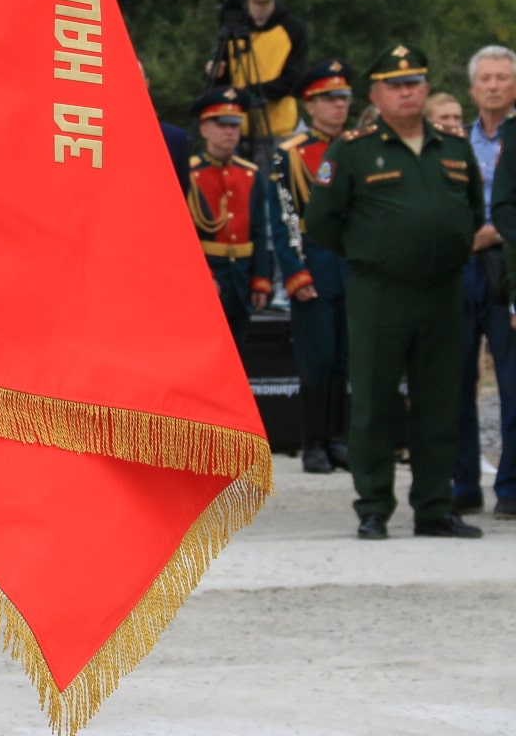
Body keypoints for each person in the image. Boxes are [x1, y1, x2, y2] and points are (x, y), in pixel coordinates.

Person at [307, 44, 483, 540]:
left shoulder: (453, 147)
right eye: (395, 85)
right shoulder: (354, 149)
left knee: (439, 401)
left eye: (415, 83)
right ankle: (373, 506)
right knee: (374, 401)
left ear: (427, 89)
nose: (408, 92)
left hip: (443, 291)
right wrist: (372, 252)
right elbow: (322, 221)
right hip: (380, 291)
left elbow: (472, 211)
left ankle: (434, 507)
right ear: (375, 94)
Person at [273, 60, 355, 474]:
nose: (339, 106)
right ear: (310, 105)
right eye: (329, 99)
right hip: (314, 258)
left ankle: (338, 438)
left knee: (345, 356)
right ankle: (314, 443)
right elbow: (283, 216)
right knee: (317, 356)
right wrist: (294, 271)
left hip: (352, 262)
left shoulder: (357, 146)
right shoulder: (290, 154)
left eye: (343, 98)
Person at [186, 88, 310, 360]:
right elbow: (185, 236)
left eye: (234, 125)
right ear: (205, 128)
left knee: (238, 355)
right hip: (211, 274)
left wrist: (261, 280)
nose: (229, 132)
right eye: (221, 125)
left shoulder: (250, 174)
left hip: (241, 275)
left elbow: (258, 230)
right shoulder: (192, 173)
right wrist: (204, 276)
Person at [465, 45, 516, 518]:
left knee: (511, 379)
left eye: (503, 77)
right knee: (457, 377)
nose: (495, 85)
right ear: (473, 88)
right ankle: (462, 485)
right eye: (487, 78)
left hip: (507, 262)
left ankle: (511, 488)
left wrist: (494, 232)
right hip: (461, 265)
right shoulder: (456, 141)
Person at [207, 0, 309, 141]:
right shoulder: (231, 24)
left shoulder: (292, 27)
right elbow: (225, 77)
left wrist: (249, 94)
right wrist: (216, 73)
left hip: (280, 128)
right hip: (237, 128)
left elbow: (294, 79)